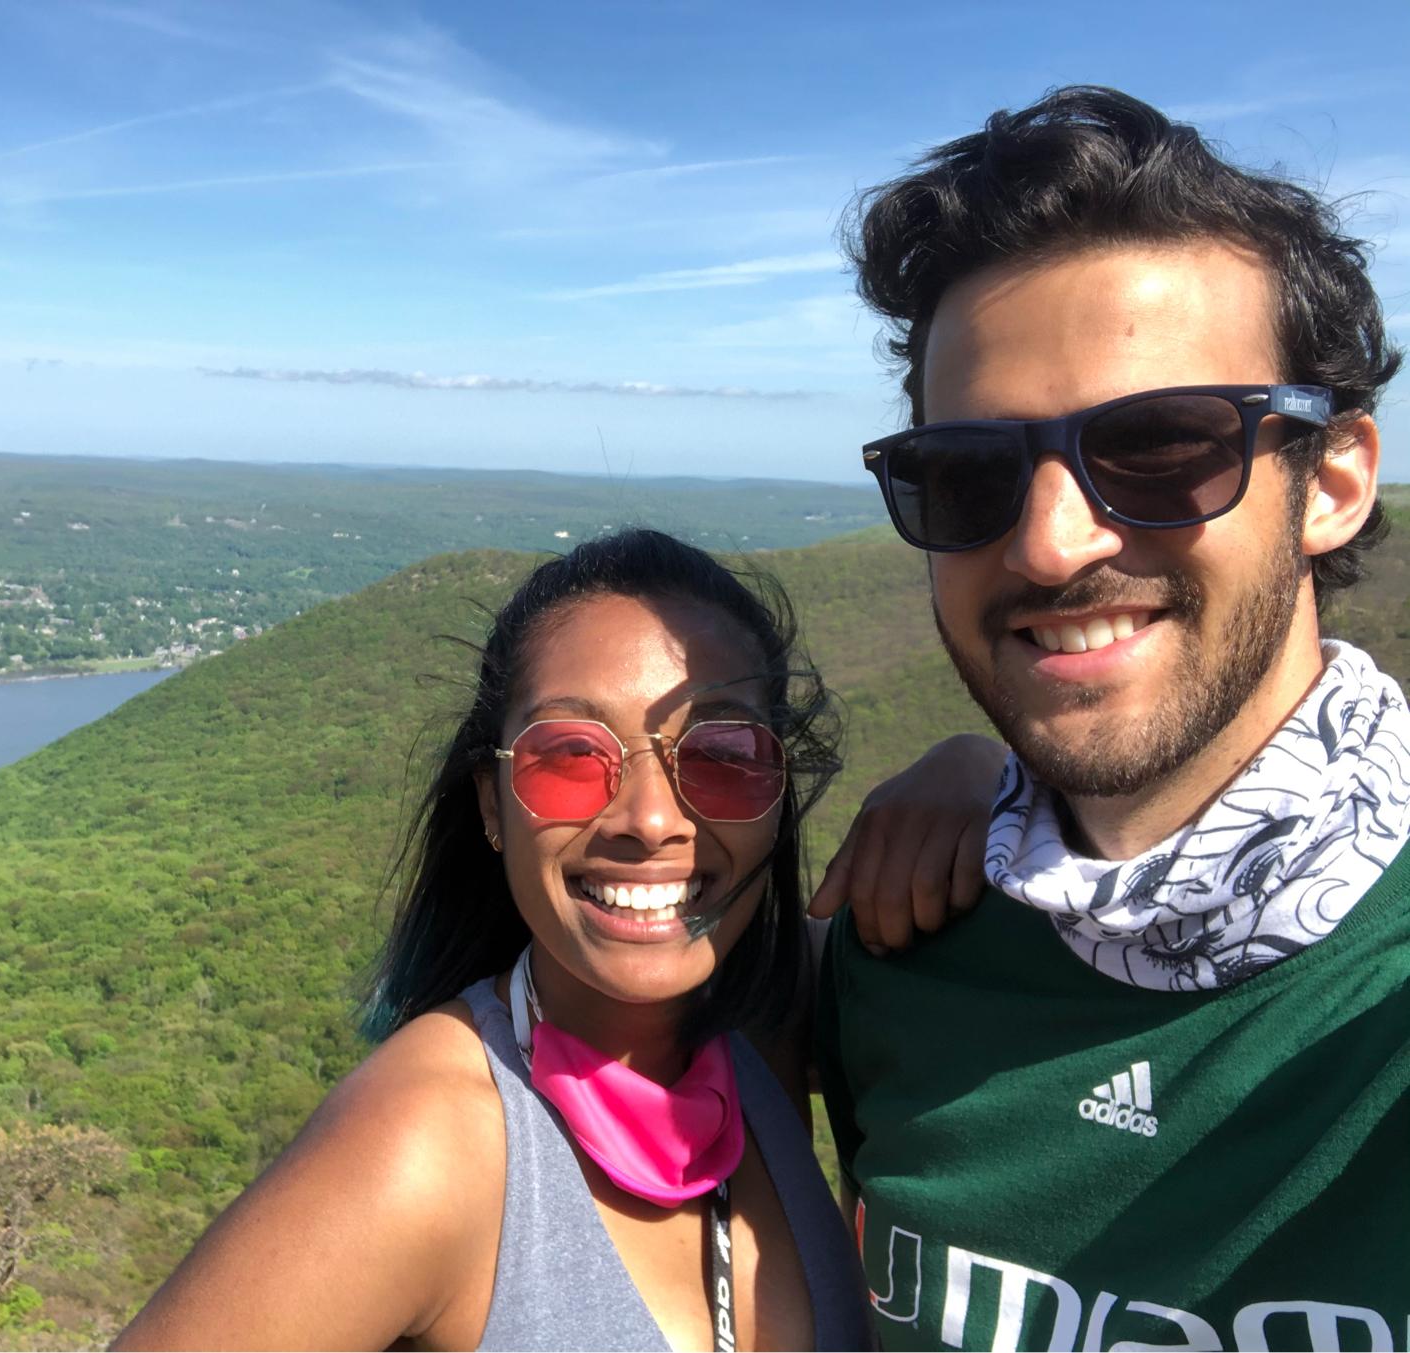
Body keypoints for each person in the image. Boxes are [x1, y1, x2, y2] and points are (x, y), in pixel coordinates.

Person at [813, 86, 1407, 1350]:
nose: (1048, 540)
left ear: (1334, 481)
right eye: (967, 473)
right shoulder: (897, 951)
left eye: (1160, 446)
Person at [115, 528, 997, 1350]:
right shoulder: (428, 1140)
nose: (651, 821)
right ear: (493, 806)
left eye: (723, 754)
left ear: (778, 796)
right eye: (571, 757)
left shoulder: (770, 1016)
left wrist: (987, 775)